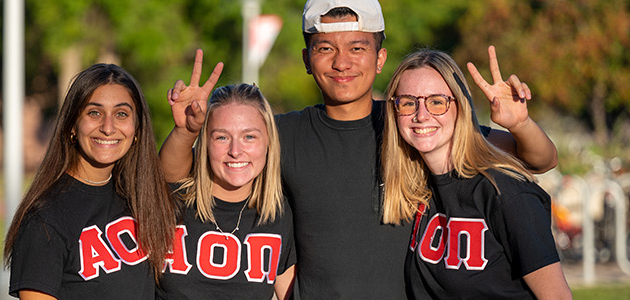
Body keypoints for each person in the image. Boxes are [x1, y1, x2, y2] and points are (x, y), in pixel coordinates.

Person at [159, 0, 560, 298]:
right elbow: (180, 172)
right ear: (306, 58)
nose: (342, 62)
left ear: (380, 57)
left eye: (357, 47)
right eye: (325, 48)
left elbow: (539, 159)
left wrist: (521, 124)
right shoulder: (285, 133)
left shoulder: (413, 123)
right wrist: (183, 133)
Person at [382, 50, 571, 299]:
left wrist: (520, 124)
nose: (421, 115)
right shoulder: (417, 188)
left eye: (436, 102)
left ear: (460, 107)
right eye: (408, 103)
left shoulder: (504, 192)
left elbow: (557, 296)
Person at [3, 63, 178, 300]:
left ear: (137, 129)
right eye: (94, 112)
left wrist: (185, 131)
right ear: (72, 126)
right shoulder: (45, 219)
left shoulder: (137, 198)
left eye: (122, 114)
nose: (108, 127)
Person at [159, 84, 296, 300]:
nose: (235, 151)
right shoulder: (173, 202)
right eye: (221, 137)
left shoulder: (278, 215)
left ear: (268, 141)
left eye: (249, 137)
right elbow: (164, 172)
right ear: (205, 143)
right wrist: (184, 131)